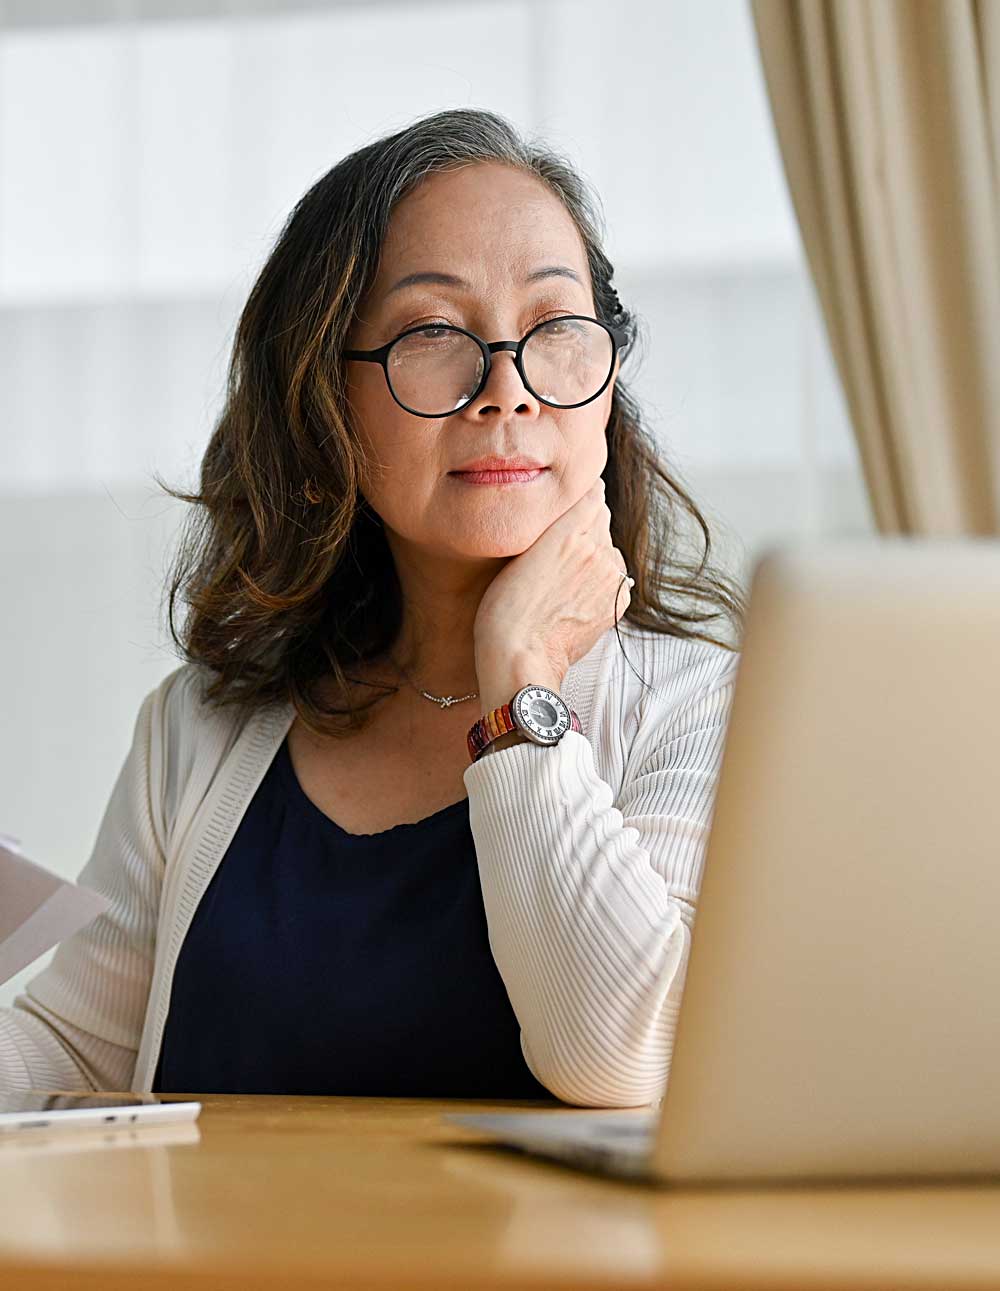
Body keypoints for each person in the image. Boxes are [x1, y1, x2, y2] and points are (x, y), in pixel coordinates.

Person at [0, 108, 745, 1107]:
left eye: (554, 328)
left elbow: (615, 1052)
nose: (507, 389)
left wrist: (519, 673)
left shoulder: (707, 707)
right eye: (434, 331)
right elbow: (73, 1050)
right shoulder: (201, 725)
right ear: (323, 401)